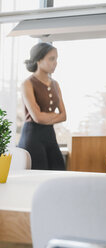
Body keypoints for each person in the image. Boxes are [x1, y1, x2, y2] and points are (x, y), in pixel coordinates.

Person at [18, 42, 66, 170]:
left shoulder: (56, 84)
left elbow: (64, 116)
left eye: (56, 59)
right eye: (51, 59)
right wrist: (54, 116)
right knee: (37, 175)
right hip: (32, 135)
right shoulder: (27, 83)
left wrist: (45, 116)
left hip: (50, 135)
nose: (55, 63)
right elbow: (37, 117)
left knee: (59, 171)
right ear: (39, 60)